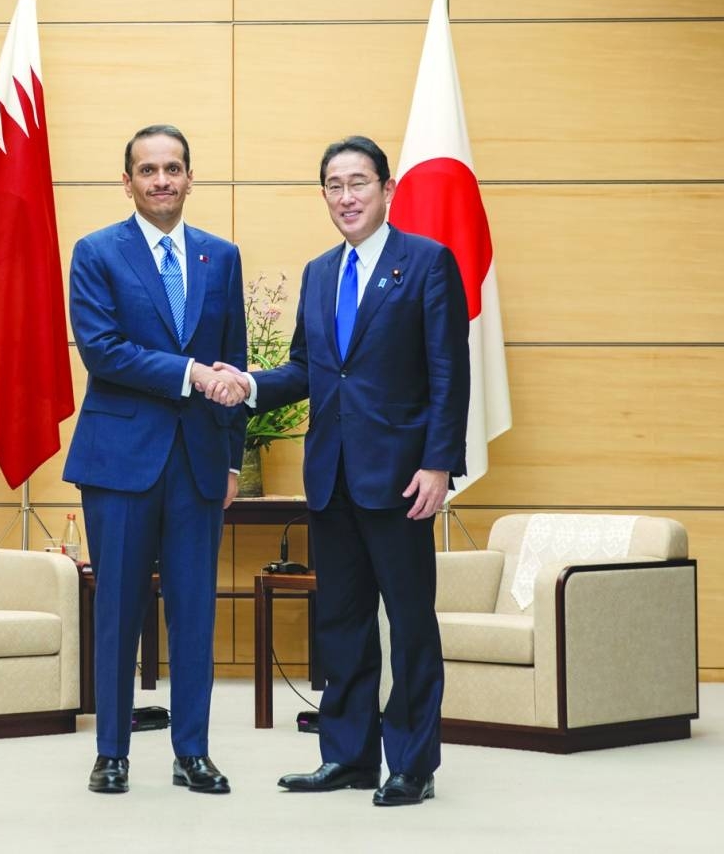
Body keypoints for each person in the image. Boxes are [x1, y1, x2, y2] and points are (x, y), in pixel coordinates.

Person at [209, 135, 469, 806]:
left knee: (409, 623)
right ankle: (349, 755)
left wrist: (439, 463)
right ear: (324, 194)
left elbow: (449, 371)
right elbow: (306, 367)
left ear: (387, 188)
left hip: (402, 476)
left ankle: (412, 762)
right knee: (343, 623)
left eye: (359, 182)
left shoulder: (428, 263)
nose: (347, 196)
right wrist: (251, 385)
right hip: (331, 476)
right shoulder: (321, 272)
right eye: (334, 184)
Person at [64, 123, 248, 795]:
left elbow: (237, 364)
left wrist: (231, 460)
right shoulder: (96, 252)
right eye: (148, 170)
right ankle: (111, 751)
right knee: (117, 606)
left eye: (173, 168)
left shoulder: (221, 258)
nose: (162, 180)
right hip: (119, 462)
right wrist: (191, 372)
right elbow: (103, 351)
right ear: (128, 181)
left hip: (199, 463)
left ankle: (191, 750)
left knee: (195, 609)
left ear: (190, 177)